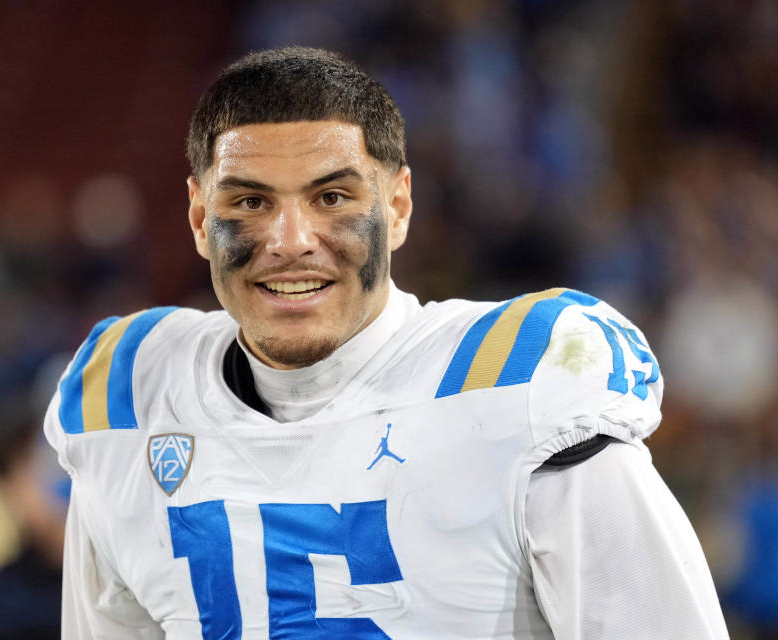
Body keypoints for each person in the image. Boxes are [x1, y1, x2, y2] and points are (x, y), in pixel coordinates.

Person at [44, 46, 728, 639]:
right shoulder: (129, 398)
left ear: (397, 207)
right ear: (199, 217)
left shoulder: (521, 388)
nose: (289, 243)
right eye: (249, 202)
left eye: (332, 198)